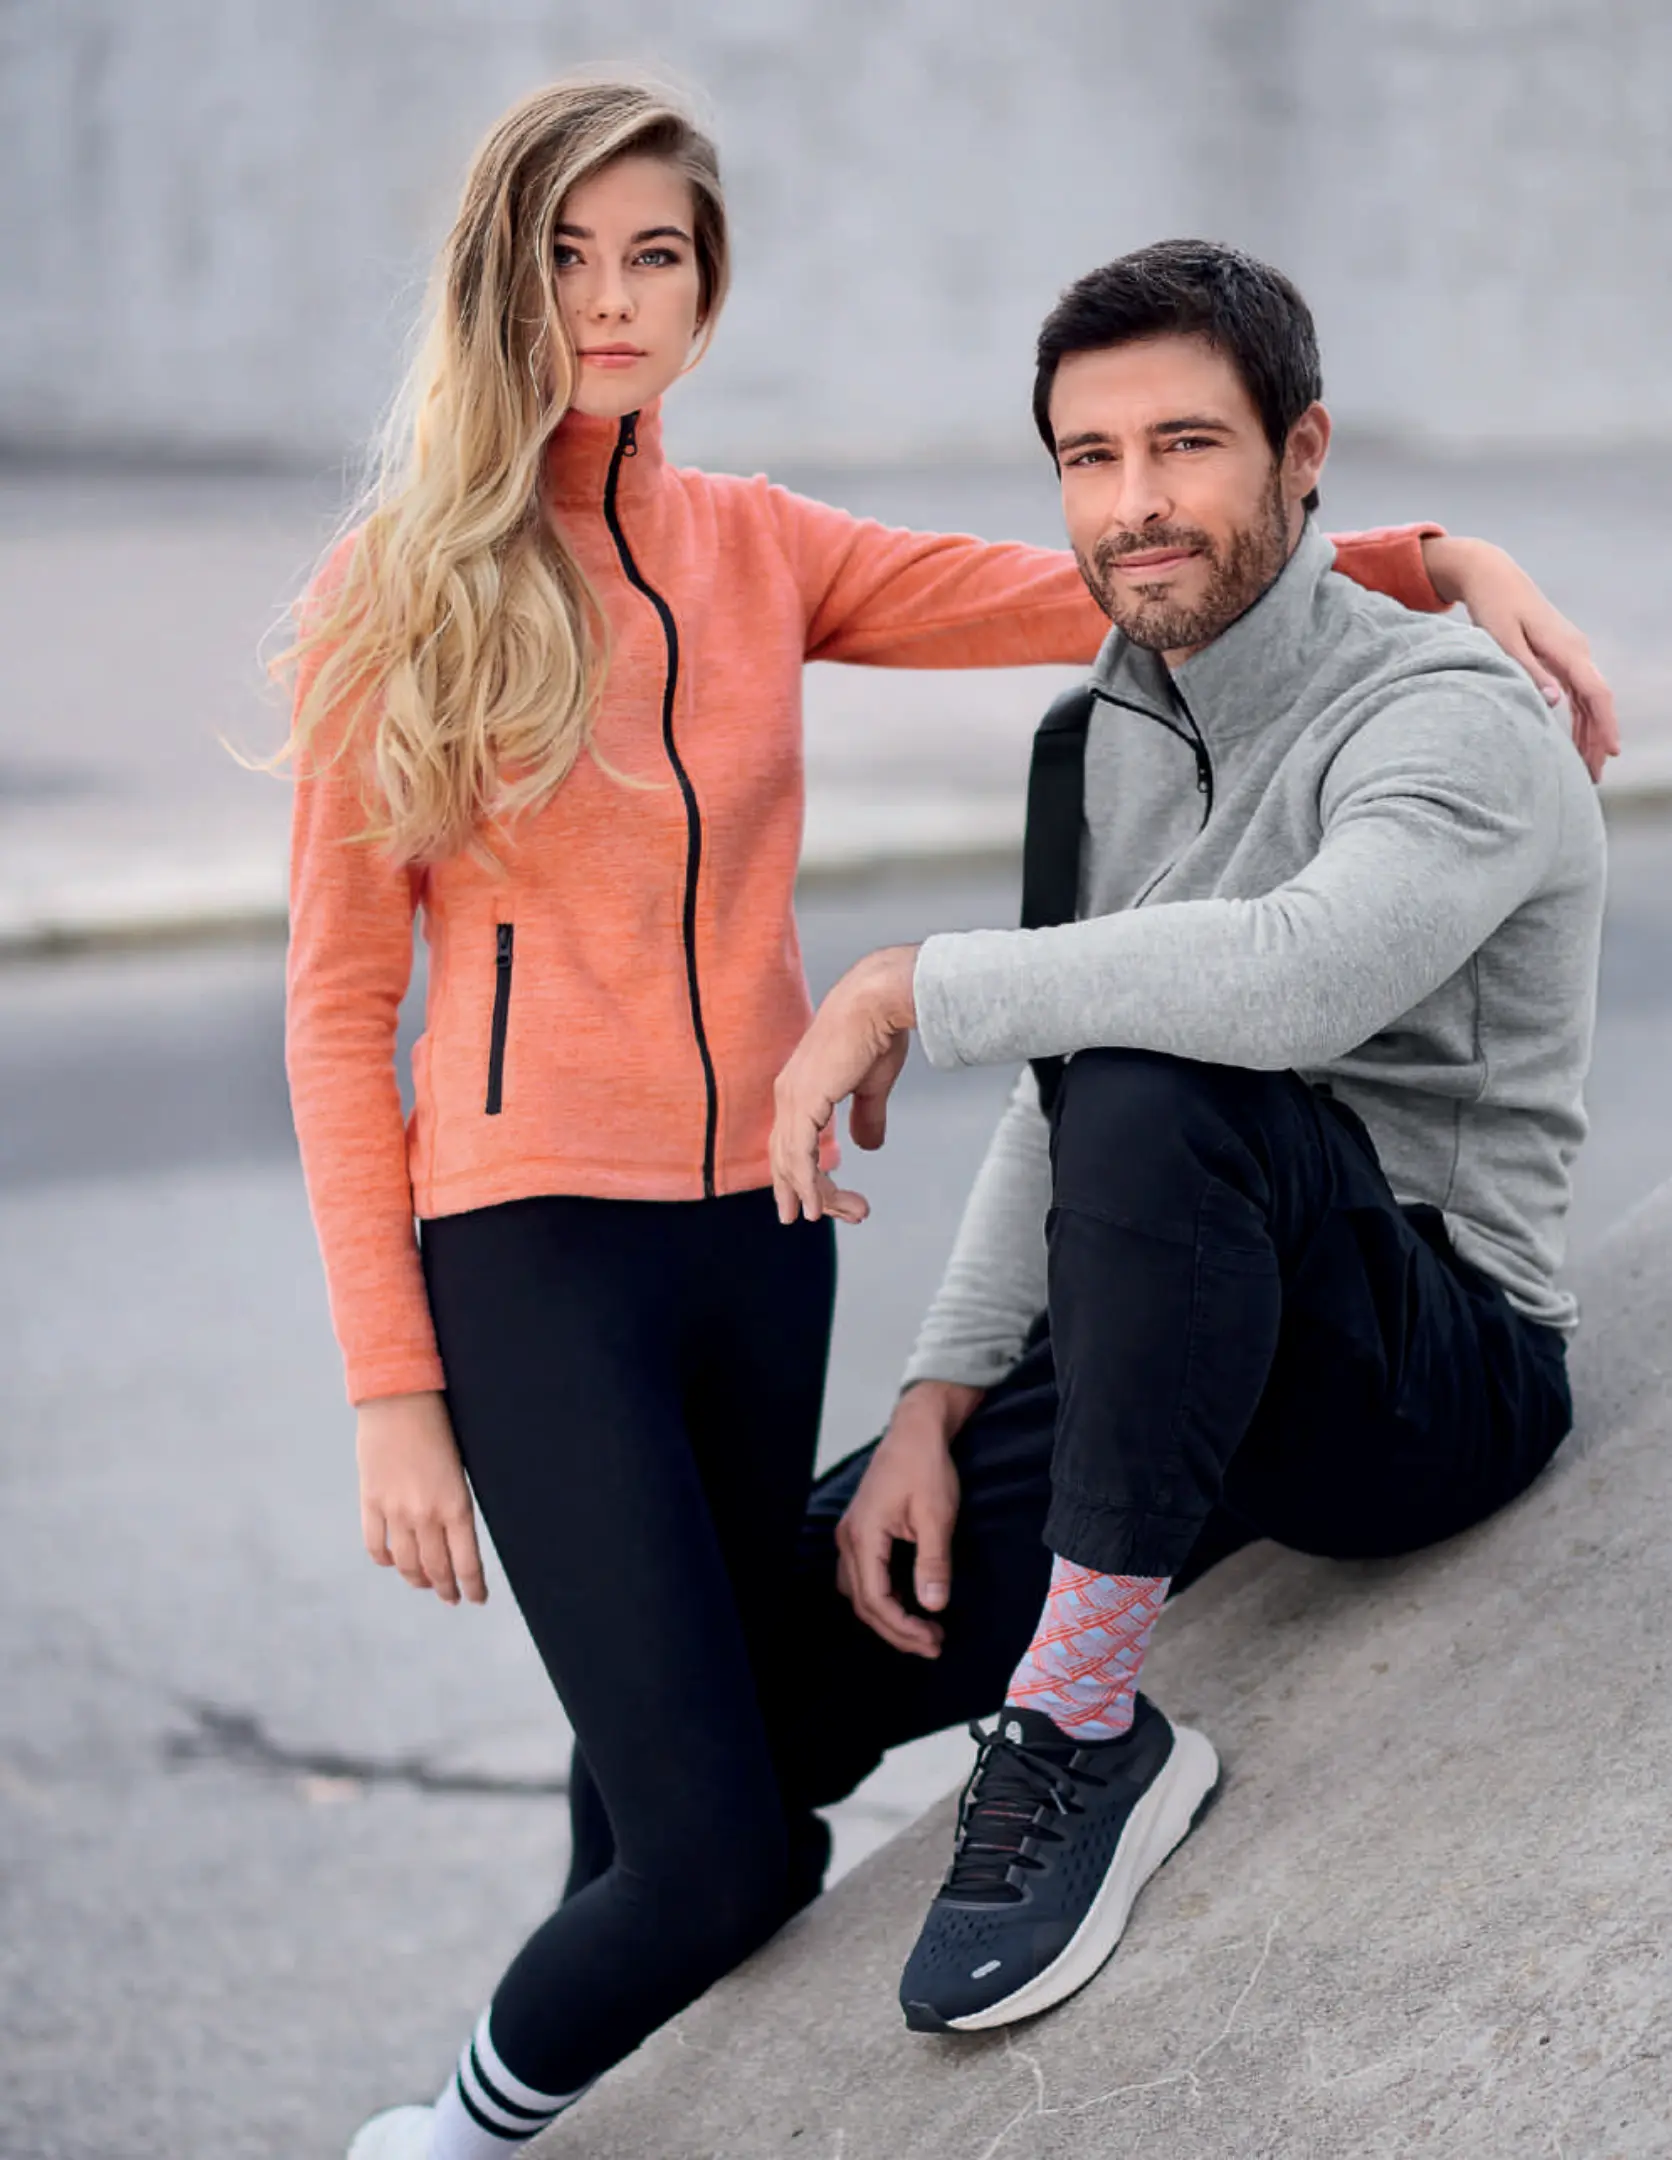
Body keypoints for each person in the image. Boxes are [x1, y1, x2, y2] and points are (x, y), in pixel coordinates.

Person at [281, 74, 1606, 2156]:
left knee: (705, 1740)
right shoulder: (399, 593)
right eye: (564, 255)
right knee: (711, 1776)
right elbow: (336, 1006)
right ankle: (513, 2115)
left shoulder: (759, 549)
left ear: (706, 290)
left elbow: (1121, 587)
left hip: (787, 1238)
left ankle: (653, 2031)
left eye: (655, 254)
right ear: (491, 279)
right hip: (531, 1236)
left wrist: (1425, 562)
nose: (609, 300)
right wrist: (397, 1385)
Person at [767, 239, 1608, 2036]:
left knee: (1170, 1080)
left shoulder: (1453, 716)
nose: (1134, 503)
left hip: (1427, 1364)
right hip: (1178, 1310)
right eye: (1091, 457)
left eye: (1185, 445)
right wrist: (936, 1397)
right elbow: (1064, 1089)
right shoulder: (1099, 736)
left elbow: (1294, 981)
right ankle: (564, 2091)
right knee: (774, 1635)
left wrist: (917, 982)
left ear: (1303, 452)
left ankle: (1082, 1725)